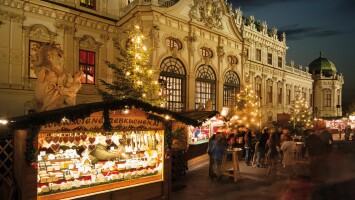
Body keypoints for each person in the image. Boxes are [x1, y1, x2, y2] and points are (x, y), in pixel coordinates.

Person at [34, 43, 83, 112]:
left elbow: (69, 85)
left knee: (67, 100)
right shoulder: (44, 68)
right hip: (52, 93)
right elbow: (42, 78)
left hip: (60, 92)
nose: (60, 60)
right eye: (58, 56)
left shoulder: (66, 74)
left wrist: (71, 83)